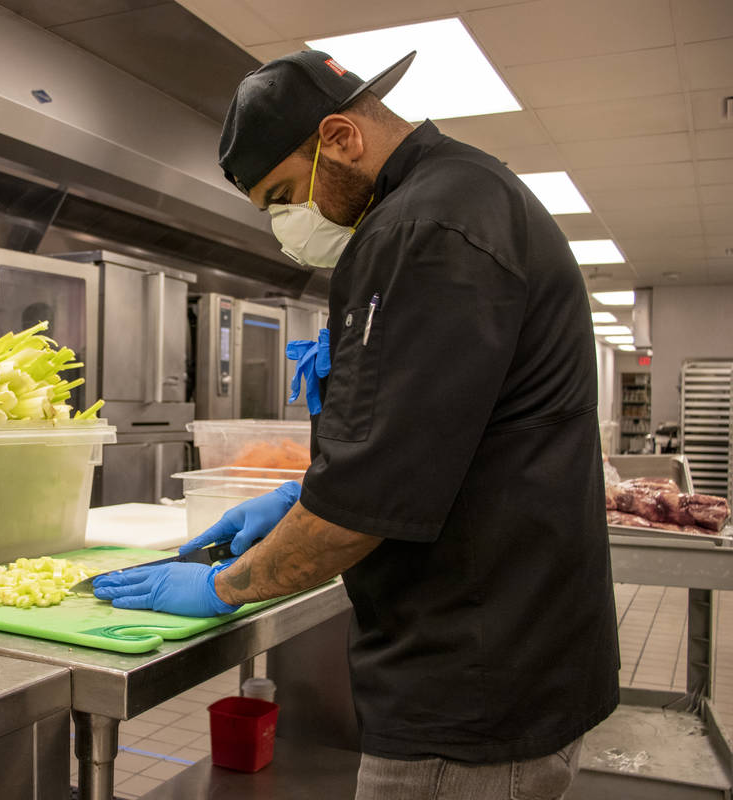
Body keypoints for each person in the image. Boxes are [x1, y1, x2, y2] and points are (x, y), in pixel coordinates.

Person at [94, 49, 619, 799]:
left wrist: (224, 586)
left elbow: (374, 494)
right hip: (502, 648)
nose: (286, 226)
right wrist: (299, 499)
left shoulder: (424, 229)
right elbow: (428, 433)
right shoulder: (466, 195)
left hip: (471, 675)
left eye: (282, 195)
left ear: (341, 138)